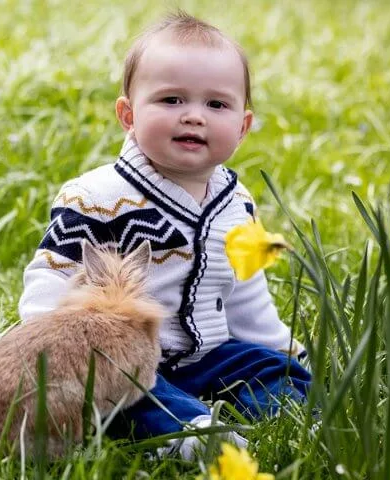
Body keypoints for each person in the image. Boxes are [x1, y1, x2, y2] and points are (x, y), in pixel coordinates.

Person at [18, 11, 311, 459]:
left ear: (243, 126)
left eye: (216, 105)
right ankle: (193, 436)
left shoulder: (235, 202)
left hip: (211, 352)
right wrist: (49, 349)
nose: (194, 117)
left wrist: (281, 348)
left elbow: (246, 292)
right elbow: (52, 276)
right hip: (128, 357)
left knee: (279, 374)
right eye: (172, 100)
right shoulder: (97, 197)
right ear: (128, 115)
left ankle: (281, 415)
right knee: (127, 396)